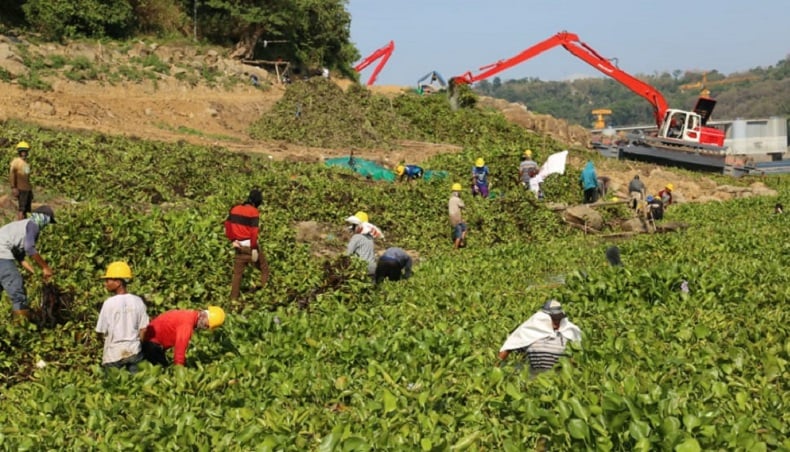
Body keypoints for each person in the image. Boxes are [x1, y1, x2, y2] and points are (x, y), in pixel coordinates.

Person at [0, 205, 56, 320]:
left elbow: (20, 258)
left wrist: (34, 272)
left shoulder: (22, 226)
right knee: (17, 290)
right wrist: (45, 267)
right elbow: (29, 248)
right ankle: (21, 330)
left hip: (3, 252)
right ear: (43, 217)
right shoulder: (32, 225)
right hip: (1, 252)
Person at [498, 300, 582, 375]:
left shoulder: (567, 333)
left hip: (559, 377)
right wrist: (496, 368)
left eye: (559, 318)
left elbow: (577, 355)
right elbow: (509, 346)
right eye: (554, 319)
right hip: (535, 377)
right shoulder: (531, 332)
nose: (557, 322)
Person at [95, 261, 149, 373]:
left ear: (118, 282)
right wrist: (139, 345)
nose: (106, 283)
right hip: (134, 351)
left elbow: (100, 331)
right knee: (137, 386)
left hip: (113, 354)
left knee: (113, 387)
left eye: (108, 280)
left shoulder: (109, 303)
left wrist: (103, 343)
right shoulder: (138, 301)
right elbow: (143, 329)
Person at [224, 188, 270, 301]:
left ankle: (233, 300)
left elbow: (227, 224)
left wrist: (232, 240)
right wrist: (254, 248)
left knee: (237, 275)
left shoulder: (235, 209)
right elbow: (254, 232)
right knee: (264, 269)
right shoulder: (254, 212)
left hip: (239, 246)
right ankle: (264, 294)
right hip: (250, 246)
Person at [142, 306, 225, 367]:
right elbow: (179, 349)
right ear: (204, 316)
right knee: (162, 371)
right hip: (151, 344)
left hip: (151, 341)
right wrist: (180, 371)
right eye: (207, 325)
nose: (205, 328)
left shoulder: (190, 315)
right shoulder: (187, 324)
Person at [345, 211, 381, 276]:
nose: (353, 228)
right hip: (373, 268)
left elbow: (348, 254)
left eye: (354, 226)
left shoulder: (356, 237)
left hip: (363, 268)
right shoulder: (370, 238)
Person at [9, 141, 33, 220]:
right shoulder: (16, 162)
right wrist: (13, 187)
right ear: (19, 152)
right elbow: (12, 175)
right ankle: (19, 224)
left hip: (27, 189)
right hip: (21, 188)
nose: (24, 153)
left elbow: (27, 177)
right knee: (22, 209)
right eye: (22, 151)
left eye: (25, 151)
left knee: (26, 209)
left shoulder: (26, 163)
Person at [448, 183, 467, 249]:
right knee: (459, 235)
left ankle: (462, 241)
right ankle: (455, 249)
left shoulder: (450, 199)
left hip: (452, 219)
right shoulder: (457, 199)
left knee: (464, 228)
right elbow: (463, 206)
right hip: (457, 220)